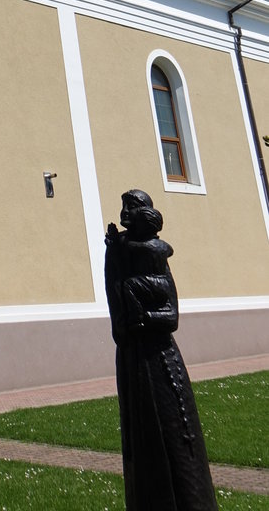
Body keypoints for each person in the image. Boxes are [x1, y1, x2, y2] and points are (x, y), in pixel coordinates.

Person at [104, 190, 217, 511]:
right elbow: (119, 314)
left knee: (176, 437)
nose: (124, 214)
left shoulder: (157, 258)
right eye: (123, 207)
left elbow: (171, 316)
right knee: (142, 441)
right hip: (134, 360)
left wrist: (143, 318)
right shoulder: (120, 252)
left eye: (130, 208)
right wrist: (113, 256)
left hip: (161, 359)